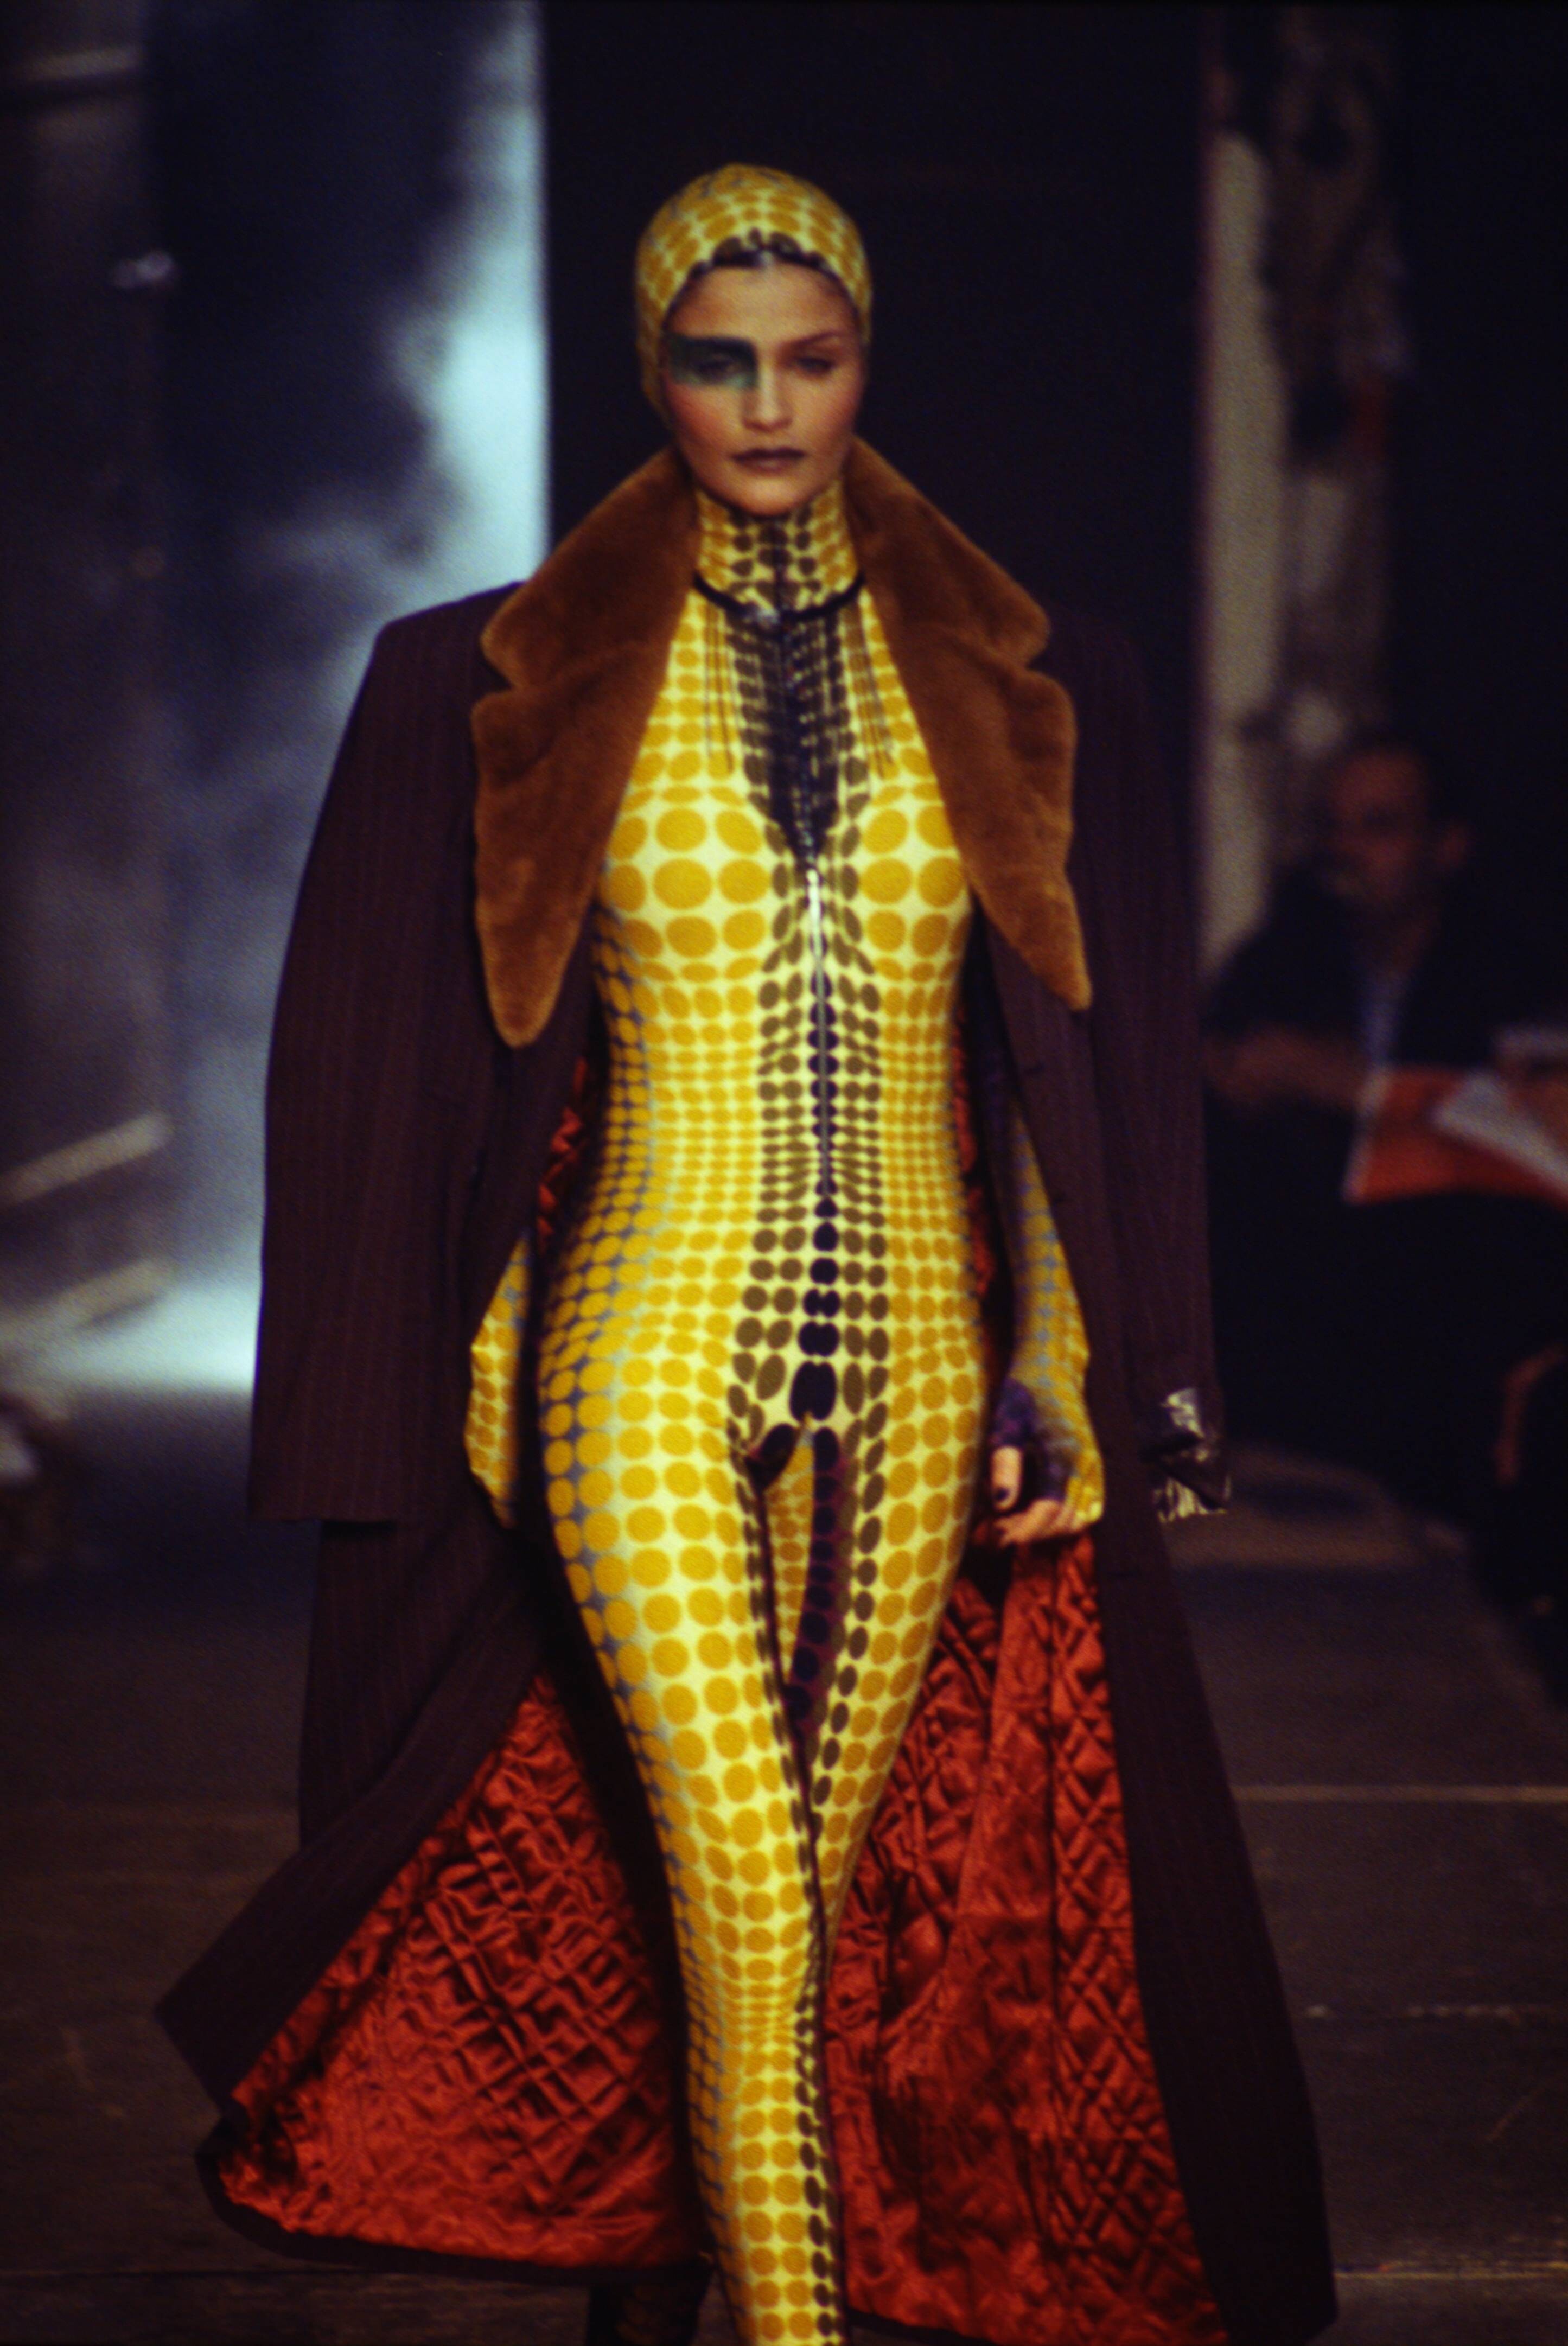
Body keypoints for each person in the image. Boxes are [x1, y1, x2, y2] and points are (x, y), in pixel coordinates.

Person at [160, 168, 1333, 2346]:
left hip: (919, 1353)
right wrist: (456, 1355)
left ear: (865, 360)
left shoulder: (1025, 676)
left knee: (790, 1903)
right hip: (634, 1335)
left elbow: (1063, 1066)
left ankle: (665, 2304)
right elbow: (381, 1062)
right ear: (654, 373)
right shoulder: (483, 677)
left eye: (812, 357)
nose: (770, 407)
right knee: (744, 1901)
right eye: (721, 362)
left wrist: (1068, 1356)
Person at [1204, 732, 1559, 1508]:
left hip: (1463, 1317)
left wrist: (1354, 1089)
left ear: (1447, 846)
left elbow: (1533, 1142)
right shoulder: (1285, 955)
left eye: (1379, 826)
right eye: (1333, 826)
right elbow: (1215, 1072)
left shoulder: (1514, 968)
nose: (1346, 851)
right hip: (1309, 1329)